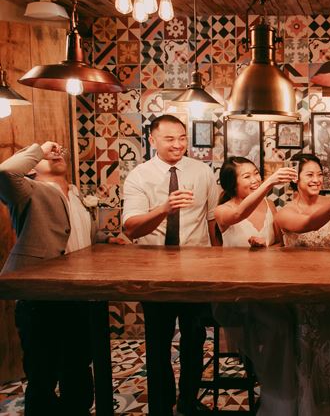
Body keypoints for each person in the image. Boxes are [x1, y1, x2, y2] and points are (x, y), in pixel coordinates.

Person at [0, 141, 126, 416]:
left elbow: (79, 234)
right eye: (49, 154)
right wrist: (40, 149)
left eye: (58, 152)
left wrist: (105, 239)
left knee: (78, 369)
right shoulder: (28, 191)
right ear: (31, 168)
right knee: (42, 375)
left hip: (78, 296)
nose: (56, 154)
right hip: (41, 297)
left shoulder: (77, 195)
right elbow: (5, 172)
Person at [122, 114, 221, 416]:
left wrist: (218, 263)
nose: (178, 144)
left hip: (196, 269)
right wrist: (164, 208)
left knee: (194, 339)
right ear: (152, 140)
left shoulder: (202, 171)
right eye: (169, 139)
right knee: (157, 340)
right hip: (154, 270)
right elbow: (131, 228)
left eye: (182, 138)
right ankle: (161, 405)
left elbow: (213, 220)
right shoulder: (139, 176)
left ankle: (189, 402)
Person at [273, 153, 330, 415]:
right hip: (301, 292)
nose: (317, 180)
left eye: (319, 174)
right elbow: (307, 225)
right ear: (296, 179)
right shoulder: (285, 212)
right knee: (307, 349)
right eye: (310, 175)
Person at [211, 156, 297, 415]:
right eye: (246, 176)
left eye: (256, 173)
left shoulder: (269, 205)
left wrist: (265, 247)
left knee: (290, 323)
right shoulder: (222, 210)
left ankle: (280, 390)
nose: (255, 179)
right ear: (231, 184)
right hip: (237, 294)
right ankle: (276, 392)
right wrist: (269, 182)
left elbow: (280, 243)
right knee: (279, 326)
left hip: (269, 287)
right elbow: (239, 214)